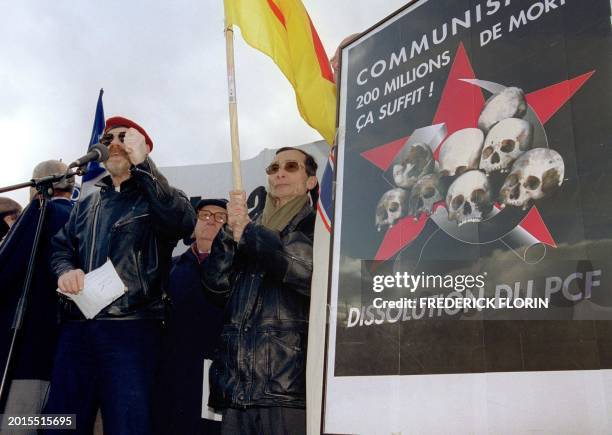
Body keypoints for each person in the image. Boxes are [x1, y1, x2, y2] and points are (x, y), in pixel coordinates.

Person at [44, 116, 195, 434]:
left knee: (128, 425)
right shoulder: (86, 204)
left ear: (142, 148)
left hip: (131, 331)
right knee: (58, 422)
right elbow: (61, 248)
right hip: (76, 329)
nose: (113, 143)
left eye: (123, 138)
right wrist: (65, 270)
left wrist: (147, 168)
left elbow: (181, 222)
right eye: (107, 138)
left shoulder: (160, 196)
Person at [203, 147, 318, 435]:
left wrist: (248, 232)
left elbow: (306, 271)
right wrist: (229, 233)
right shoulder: (246, 228)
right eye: (273, 168)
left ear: (311, 181)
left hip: (286, 388)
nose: (279, 173)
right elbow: (215, 287)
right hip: (236, 389)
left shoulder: (318, 225)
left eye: (291, 166)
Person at [0, 161, 74, 434]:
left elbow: (5, 269)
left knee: (14, 427)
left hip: (22, 355)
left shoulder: (42, 211)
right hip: (60, 359)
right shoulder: (84, 216)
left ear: (37, 185)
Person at [155, 198, 227, 435]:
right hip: (172, 370)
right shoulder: (171, 267)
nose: (210, 221)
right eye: (204, 215)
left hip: (214, 373)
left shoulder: (237, 269)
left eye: (219, 217)